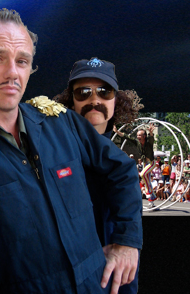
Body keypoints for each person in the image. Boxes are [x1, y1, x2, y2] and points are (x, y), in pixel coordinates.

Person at [0, 9, 140, 294]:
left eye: (22, 61)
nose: (12, 72)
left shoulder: (62, 122)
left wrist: (128, 241)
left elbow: (122, 170)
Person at [53, 57, 144, 293]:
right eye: (83, 92)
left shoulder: (123, 154)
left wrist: (126, 242)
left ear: (116, 100)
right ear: (71, 101)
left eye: (104, 92)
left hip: (114, 271)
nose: (94, 100)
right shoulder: (52, 148)